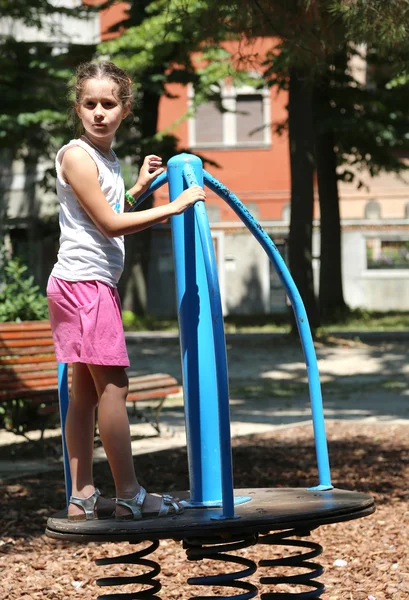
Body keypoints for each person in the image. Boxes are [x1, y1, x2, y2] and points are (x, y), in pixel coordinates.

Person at [47, 61, 206, 522]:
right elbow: (111, 223)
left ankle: (82, 496)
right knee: (114, 387)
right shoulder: (76, 155)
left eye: (108, 104)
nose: (99, 112)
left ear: (124, 108)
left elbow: (111, 213)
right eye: (90, 104)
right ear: (78, 108)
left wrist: (137, 188)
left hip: (82, 283)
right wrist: (173, 208)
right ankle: (130, 494)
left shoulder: (106, 159)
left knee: (84, 395)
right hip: (85, 284)